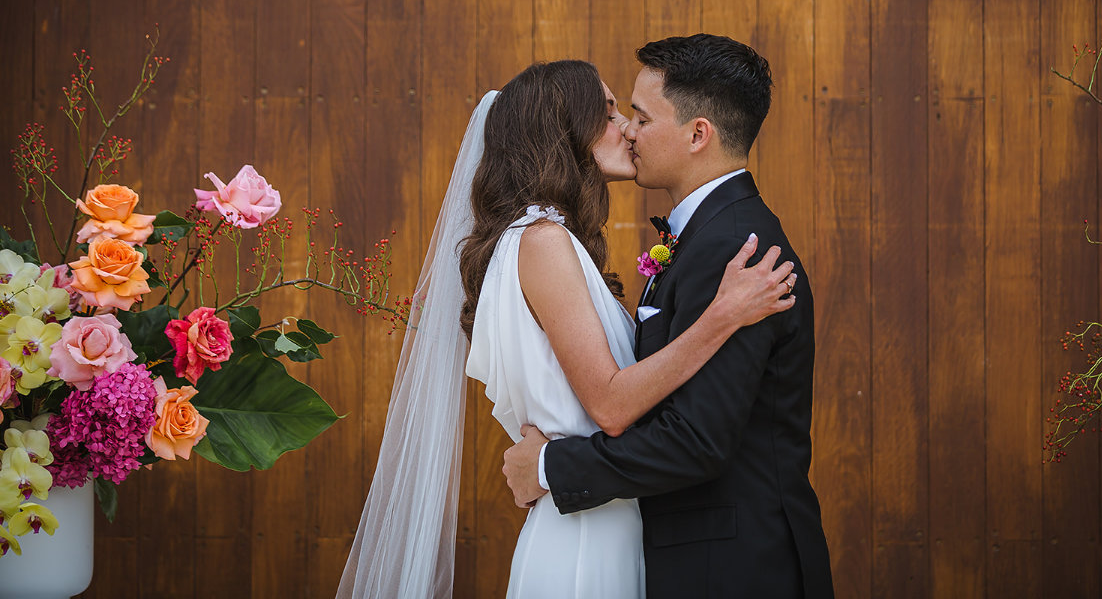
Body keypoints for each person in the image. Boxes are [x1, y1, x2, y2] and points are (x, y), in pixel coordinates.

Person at [336, 59, 797, 599]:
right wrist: (721, 317)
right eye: (607, 113)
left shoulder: (548, 239)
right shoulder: (541, 239)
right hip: (585, 539)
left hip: (603, 515)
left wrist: (547, 457)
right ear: (564, 133)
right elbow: (611, 404)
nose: (626, 126)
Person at [502, 35, 836, 598]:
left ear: (698, 134)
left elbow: (695, 440)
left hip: (732, 570)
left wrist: (550, 468)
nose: (628, 131)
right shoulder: (708, 237)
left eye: (639, 115)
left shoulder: (733, 248)